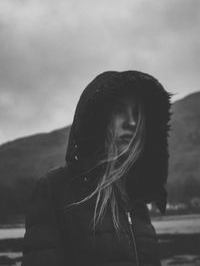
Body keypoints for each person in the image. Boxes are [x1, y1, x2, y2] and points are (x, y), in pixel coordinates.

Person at [22, 70, 172, 266]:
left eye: (136, 113)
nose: (132, 122)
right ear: (99, 118)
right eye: (119, 110)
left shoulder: (135, 198)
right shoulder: (55, 188)